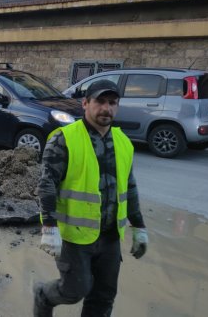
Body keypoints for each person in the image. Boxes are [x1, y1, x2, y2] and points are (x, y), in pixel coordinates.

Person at [33, 79, 148, 317]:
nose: (106, 108)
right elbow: (47, 183)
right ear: (85, 103)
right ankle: (44, 295)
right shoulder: (64, 139)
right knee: (76, 290)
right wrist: (49, 227)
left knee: (104, 297)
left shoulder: (123, 142)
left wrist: (139, 226)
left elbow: (130, 186)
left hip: (110, 236)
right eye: (100, 102)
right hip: (75, 235)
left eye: (112, 103)